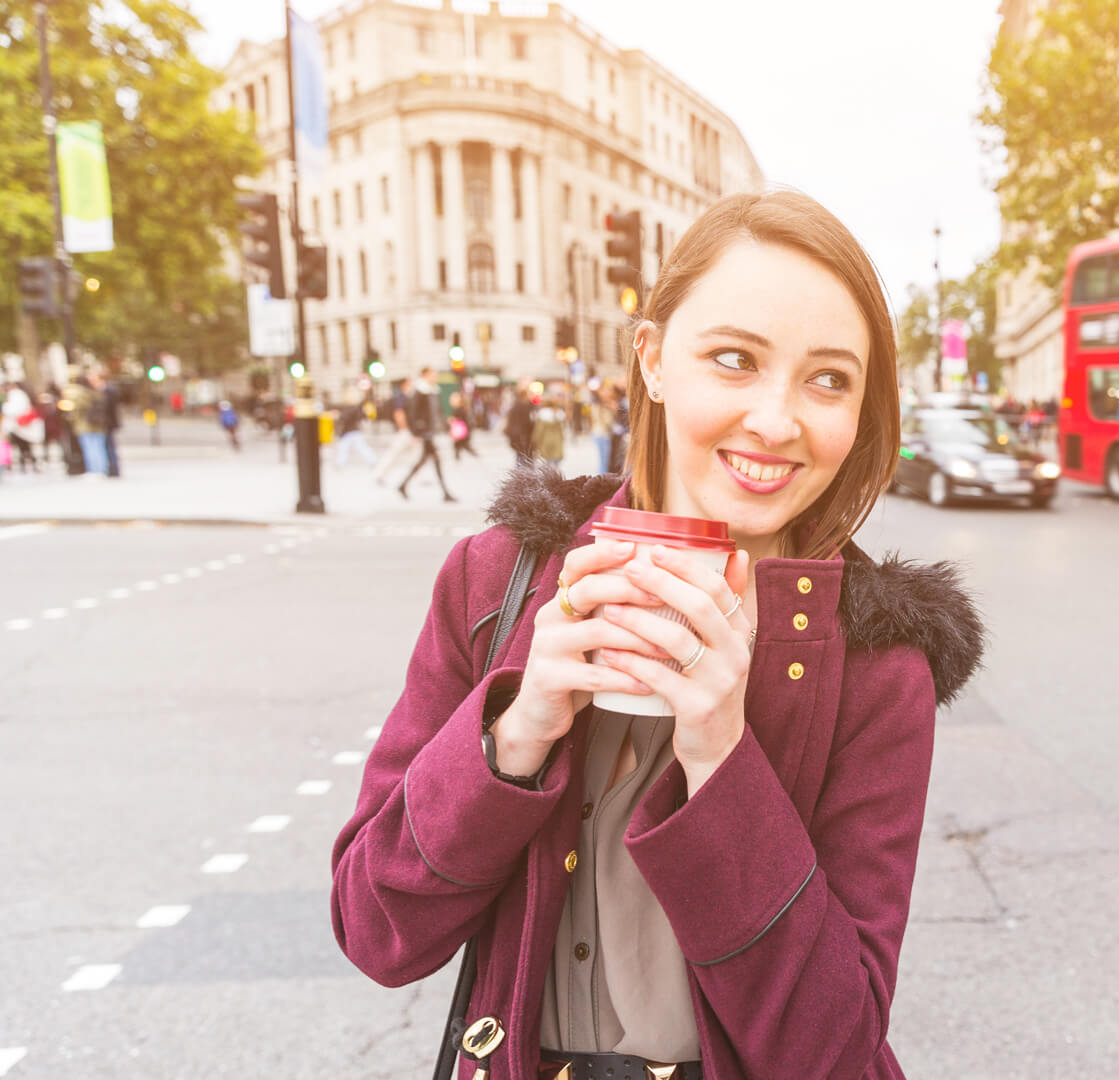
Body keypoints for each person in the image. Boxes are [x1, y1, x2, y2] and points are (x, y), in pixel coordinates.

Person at [331, 191, 981, 1080]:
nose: (777, 420)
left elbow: (831, 1049)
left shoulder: (877, 665)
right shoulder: (496, 582)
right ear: (654, 357)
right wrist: (515, 732)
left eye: (828, 378)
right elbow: (378, 931)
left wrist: (722, 758)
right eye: (733, 359)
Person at [396, 368, 454, 502]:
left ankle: (402, 485)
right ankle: (445, 492)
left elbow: (438, 412)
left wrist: (445, 426)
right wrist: (417, 431)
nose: (435, 376)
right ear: (425, 375)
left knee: (424, 460)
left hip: (431, 431)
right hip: (425, 432)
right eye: (433, 374)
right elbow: (412, 412)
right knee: (436, 460)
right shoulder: (420, 391)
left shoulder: (434, 391)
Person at [3, 382, 43, 472]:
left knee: (22, 447)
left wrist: (5, 408)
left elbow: (11, 410)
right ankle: (31, 464)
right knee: (25, 447)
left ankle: (25, 465)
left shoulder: (15, 395)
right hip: (21, 426)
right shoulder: (22, 394)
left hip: (19, 426)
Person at [333, 395, 378, 467]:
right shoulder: (355, 408)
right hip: (353, 432)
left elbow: (345, 417)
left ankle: (339, 463)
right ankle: (372, 460)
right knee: (358, 447)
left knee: (344, 448)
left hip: (350, 432)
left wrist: (339, 416)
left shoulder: (350, 408)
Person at [531, 391, 568, 471]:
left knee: (546, 465)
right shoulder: (560, 414)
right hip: (557, 442)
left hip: (545, 442)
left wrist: (535, 441)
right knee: (556, 465)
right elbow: (563, 430)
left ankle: (549, 480)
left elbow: (539, 431)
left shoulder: (542, 415)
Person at [590, 382, 619, 473]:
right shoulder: (602, 406)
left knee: (603, 460)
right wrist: (613, 410)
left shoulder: (596, 405)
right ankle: (602, 479)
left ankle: (602, 477)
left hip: (598, 433)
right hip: (603, 434)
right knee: (604, 461)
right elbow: (607, 421)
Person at [505, 384, 536, 464]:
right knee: (526, 456)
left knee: (519, 455)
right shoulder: (527, 406)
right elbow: (530, 421)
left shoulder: (514, 406)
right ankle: (523, 472)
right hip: (524, 435)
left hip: (516, 434)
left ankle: (520, 471)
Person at [449, 391, 478, 461]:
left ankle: (459, 457)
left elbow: (461, 418)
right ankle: (458, 457)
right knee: (460, 445)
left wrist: (452, 419)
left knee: (462, 445)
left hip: (461, 430)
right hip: (464, 430)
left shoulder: (460, 408)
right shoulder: (462, 408)